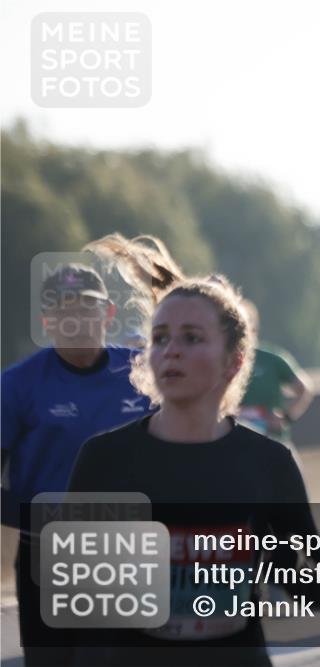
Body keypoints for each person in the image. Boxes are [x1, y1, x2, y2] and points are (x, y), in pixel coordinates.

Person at [68, 234, 320, 666]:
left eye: (192, 338)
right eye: (161, 337)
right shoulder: (105, 459)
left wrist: (272, 558)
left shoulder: (269, 463)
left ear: (234, 360)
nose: (171, 351)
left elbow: (318, 590)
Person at [1, 262, 152, 667]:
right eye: (64, 310)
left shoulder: (142, 373)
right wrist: (30, 516)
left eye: (87, 309)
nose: (77, 319)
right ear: (47, 320)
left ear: (107, 315)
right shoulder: (17, 385)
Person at [238, 300, 314, 443]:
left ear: (255, 327)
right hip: (235, 443)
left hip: (272, 440)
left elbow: (304, 390)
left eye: (244, 323)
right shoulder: (220, 362)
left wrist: (286, 417)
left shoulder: (272, 359)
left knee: (293, 466)